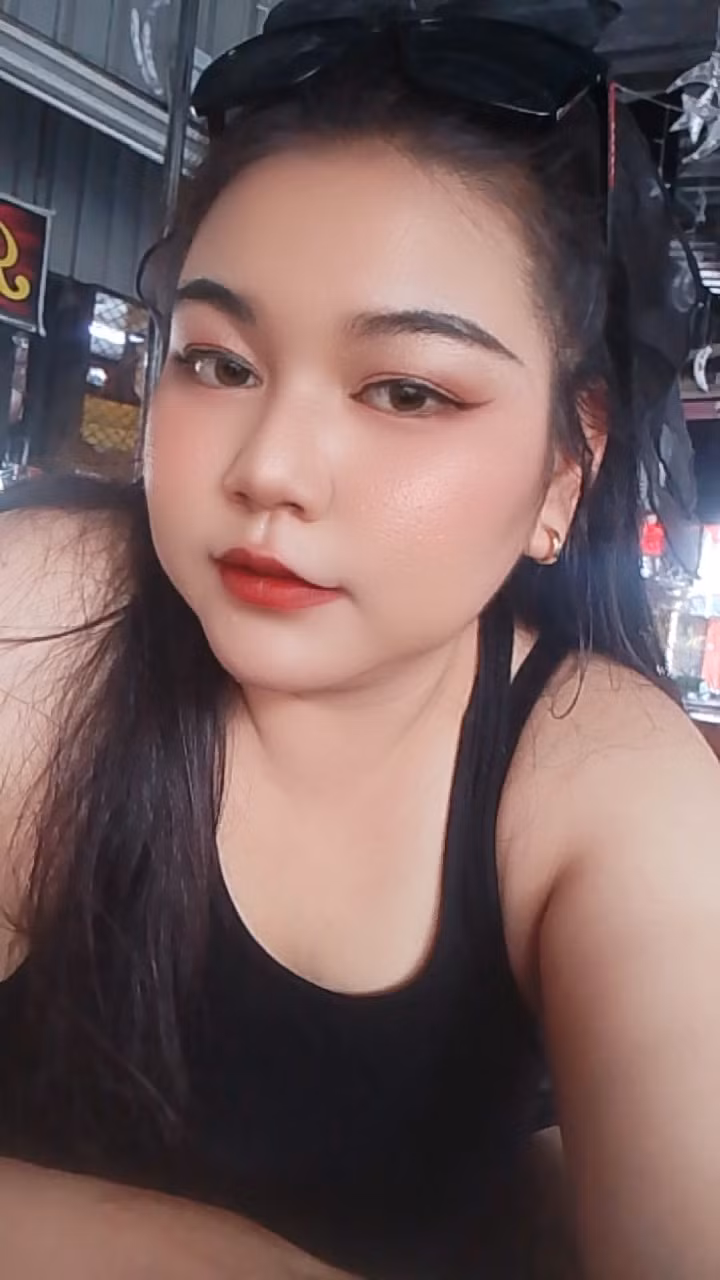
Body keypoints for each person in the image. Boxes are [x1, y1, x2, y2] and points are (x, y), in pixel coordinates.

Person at [1, 1, 719, 1276]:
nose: (271, 467)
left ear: (566, 470)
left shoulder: (604, 776)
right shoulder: (43, 622)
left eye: (407, 389)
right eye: (220, 363)